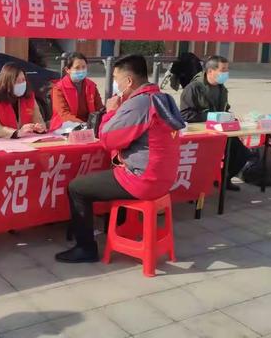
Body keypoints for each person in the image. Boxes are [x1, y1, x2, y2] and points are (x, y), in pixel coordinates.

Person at [55, 55, 185, 263]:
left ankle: (85, 248)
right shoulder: (161, 97)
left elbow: (108, 139)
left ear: (129, 81)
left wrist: (111, 111)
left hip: (142, 179)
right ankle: (121, 229)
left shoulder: (139, 104)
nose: (115, 83)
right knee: (107, 177)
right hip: (165, 178)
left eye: (116, 78)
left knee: (76, 188)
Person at [180, 55, 249, 191]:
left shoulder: (221, 88)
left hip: (220, 130)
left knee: (242, 153)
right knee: (205, 158)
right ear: (210, 71)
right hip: (201, 134)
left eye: (227, 70)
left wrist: (230, 117)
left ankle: (225, 178)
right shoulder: (193, 88)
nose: (226, 73)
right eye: (223, 70)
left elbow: (225, 108)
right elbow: (185, 114)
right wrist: (211, 116)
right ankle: (195, 187)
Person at [0, 62, 47, 138]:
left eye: (23, 80)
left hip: (25, 142)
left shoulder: (29, 97)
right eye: (18, 81)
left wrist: (39, 128)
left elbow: (38, 120)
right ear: (7, 82)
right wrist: (16, 133)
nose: (22, 83)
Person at [49, 52, 104, 131]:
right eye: (77, 68)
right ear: (67, 70)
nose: (81, 70)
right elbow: (63, 114)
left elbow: (100, 109)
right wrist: (83, 125)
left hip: (89, 125)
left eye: (84, 67)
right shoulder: (59, 88)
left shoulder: (91, 85)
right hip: (66, 124)